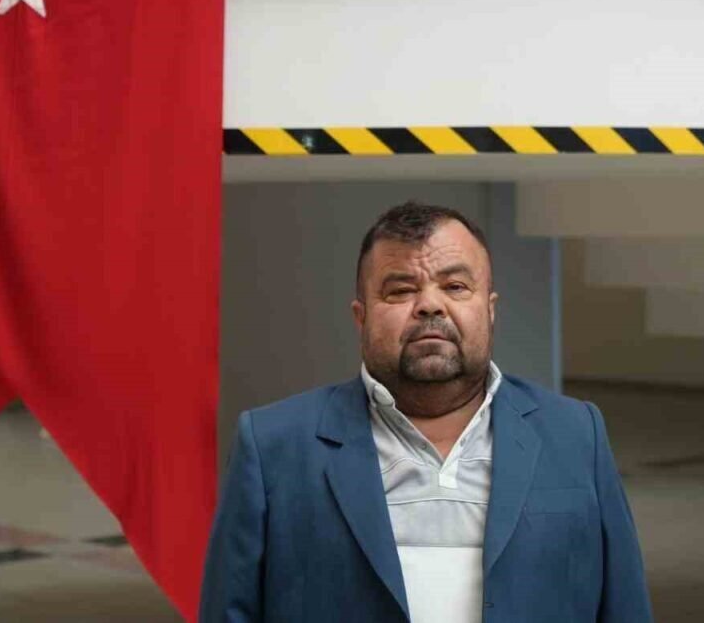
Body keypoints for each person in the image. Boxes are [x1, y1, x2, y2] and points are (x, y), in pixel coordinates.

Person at [201, 202, 652, 622]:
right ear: (361, 317)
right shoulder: (273, 446)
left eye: (455, 286)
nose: (431, 305)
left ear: (490, 309)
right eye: (401, 290)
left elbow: (624, 606)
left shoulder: (576, 433)